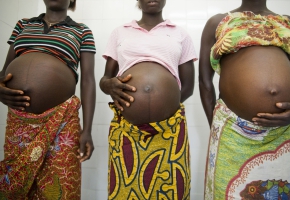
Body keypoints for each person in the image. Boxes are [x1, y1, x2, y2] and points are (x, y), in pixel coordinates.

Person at [199, 0, 290, 199]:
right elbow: (204, 81)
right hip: (231, 132)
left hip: (278, 135)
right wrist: (217, 128)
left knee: (277, 191)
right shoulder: (218, 22)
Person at [99, 0, 197, 199]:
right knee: (125, 190)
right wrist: (108, 85)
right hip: (127, 130)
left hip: (170, 129)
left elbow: (188, 86)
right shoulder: (120, 32)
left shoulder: (180, 33)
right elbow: (105, 80)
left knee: (170, 190)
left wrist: (166, 104)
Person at [0, 0, 96, 199]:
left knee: (61, 184)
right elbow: (3, 73)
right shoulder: (23, 25)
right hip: (19, 120)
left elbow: (87, 80)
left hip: (62, 119)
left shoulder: (81, 31)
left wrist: (87, 130)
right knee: (16, 185)